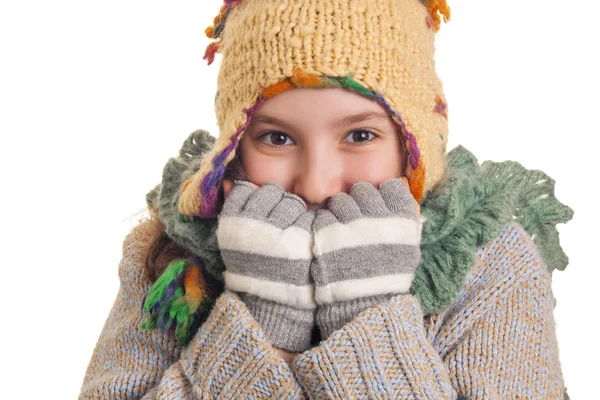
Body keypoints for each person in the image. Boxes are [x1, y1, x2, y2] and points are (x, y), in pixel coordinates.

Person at [79, 0, 574, 398]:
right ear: (232, 146)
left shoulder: (490, 262)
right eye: (276, 138)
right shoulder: (167, 257)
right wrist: (264, 326)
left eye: (359, 136)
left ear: (413, 143)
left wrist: (367, 321)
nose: (315, 185)